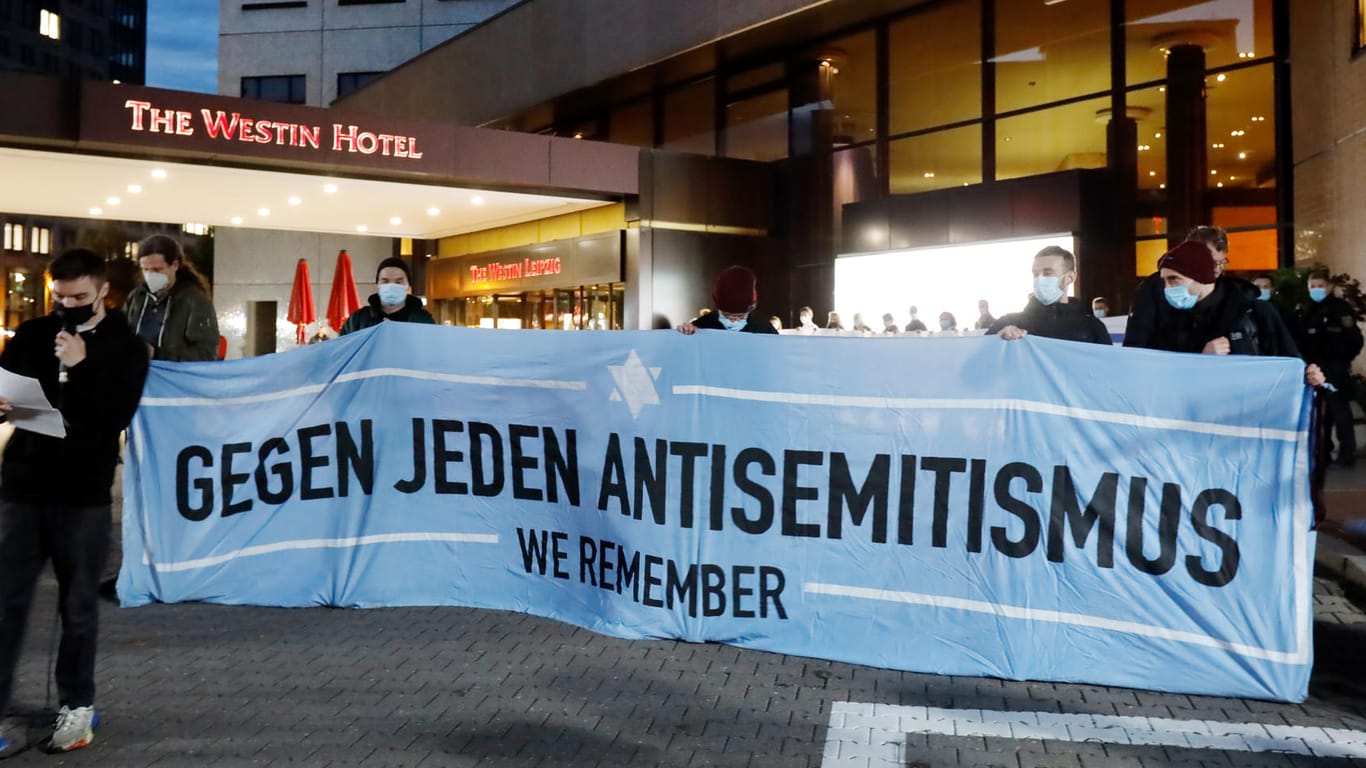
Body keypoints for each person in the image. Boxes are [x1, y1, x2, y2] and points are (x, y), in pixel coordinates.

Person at [0, 249, 149, 758]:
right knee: (6, 602)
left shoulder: (125, 347)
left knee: (78, 605)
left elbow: (114, 417)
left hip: (83, 493)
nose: (68, 306)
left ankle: (76, 704)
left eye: (79, 298)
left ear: (103, 291)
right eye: (59, 297)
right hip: (23, 487)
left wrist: (82, 368)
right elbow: (12, 393)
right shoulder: (33, 335)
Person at [1127, 242, 1324, 389]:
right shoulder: (1170, 320)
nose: (1167, 288)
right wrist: (1201, 359)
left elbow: (1292, 362)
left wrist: (1309, 375)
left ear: (1201, 276)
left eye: (1174, 280)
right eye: (1164, 281)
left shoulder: (1255, 313)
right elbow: (1162, 379)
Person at [1124, 225, 1259, 349]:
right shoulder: (1153, 289)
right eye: (1210, 261)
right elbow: (1136, 342)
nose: (1217, 270)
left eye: (1222, 263)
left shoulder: (1233, 294)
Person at [1294, 269, 1364, 466]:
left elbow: (1355, 339)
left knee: (1340, 411)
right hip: (1315, 369)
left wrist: (1342, 360)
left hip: (1336, 368)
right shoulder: (1306, 310)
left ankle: (1347, 452)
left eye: (1320, 286)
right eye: (1313, 287)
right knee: (1318, 413)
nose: (1316, 290)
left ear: (1329, 287)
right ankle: (1322, 451)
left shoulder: (1341, 309)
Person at [122, 234, 219, 362]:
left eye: (157, 269)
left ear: (174, 265)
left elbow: (206, 354)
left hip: (173, 378)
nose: (150, 275)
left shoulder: (194, 300)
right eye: (145, 269)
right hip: (137, 376)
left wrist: (157, 354)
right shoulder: (137, 297)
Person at [987, 246, 1110, 345]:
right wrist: (997, 341)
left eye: (1048, 273)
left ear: (1070, 277)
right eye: (1035, 274)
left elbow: (1107, 368)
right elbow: (979, 357)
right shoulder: (1008, 322)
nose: (1039, 279)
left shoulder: (1092, 327)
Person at [339, 257, 435, 334]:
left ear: (408, 286)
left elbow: (431, 351)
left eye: (399, 282)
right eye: (385, 281)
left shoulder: (422, 320)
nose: (391, 286)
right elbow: (342, 349)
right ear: (377, 285)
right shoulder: (358, 319)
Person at [676, 266, 778, 335]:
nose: (732, 321)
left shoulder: (764, 328)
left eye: (739, 316)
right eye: (726, 315)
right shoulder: (702, 325)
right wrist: (685, 333)